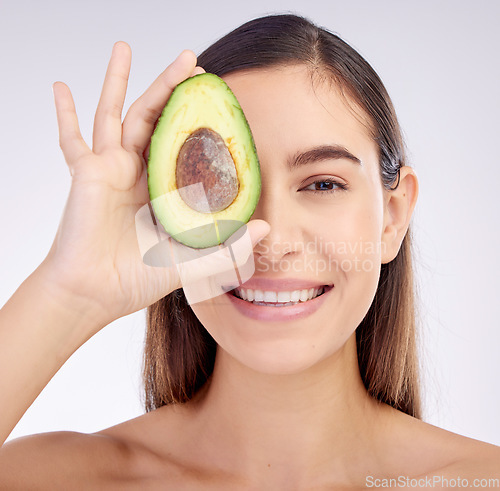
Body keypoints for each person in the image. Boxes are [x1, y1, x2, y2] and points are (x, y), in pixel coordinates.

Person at [0, 13, 498, 489]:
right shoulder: (52, 478)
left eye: (323, 184)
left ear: (392, 217)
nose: (273, 241)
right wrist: (70, 292)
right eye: (226, 181)